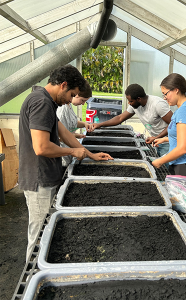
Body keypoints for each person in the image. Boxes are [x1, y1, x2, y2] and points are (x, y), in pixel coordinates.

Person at [19, 64, 113, 261]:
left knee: (46, 230)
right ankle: (31, 277)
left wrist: (90, 154)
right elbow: (41, 147)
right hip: (39, 179)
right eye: (72, 95)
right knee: (40, 235)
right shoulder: (42, 103)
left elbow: (64, 133)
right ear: (63, 85)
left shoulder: (46, 101)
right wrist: (73, 151)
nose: (70, 100)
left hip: (45, 176)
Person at [152, 73, 186, 205]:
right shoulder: (183, 108)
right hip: (183, 164)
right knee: (177, 206)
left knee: (181, 209)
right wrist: (164, 140)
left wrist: (159, 161)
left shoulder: (185, 111)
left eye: (166, 93)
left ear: (176, 89)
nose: (164, 98)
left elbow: (182, 148)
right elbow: (184, 138)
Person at [91, 83, 173, 158]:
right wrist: (100, 124)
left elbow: (173, 124)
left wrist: (156, 137)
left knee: (168, 169)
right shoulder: (135, 105)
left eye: (131, 101)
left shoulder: (157, 105)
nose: (129, 103)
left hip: (168, 142)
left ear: (139, 99)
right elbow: (120, 118)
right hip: (157, 142)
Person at [57, 80, 92, 167]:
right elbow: (60, 136)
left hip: (69, 152)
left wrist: (84, 124)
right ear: (75, 95)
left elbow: (72, 122)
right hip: (62, 156)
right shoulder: (62, 109)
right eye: (82, 100)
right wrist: (75, 135)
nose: (83, 104)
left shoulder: (69, 105)